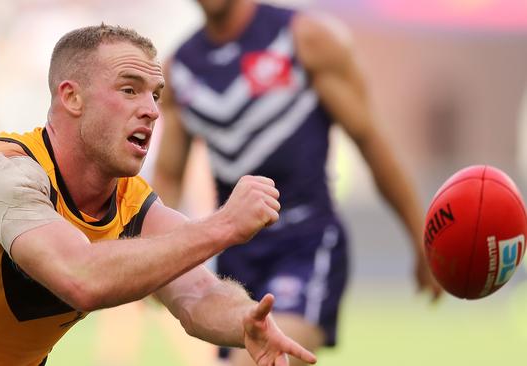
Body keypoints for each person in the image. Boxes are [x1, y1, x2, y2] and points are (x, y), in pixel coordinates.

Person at [0, 24, 317, 366]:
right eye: (129, 90)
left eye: (156, 94)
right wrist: (222, 226)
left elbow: (198, 296)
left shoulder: (133, 205)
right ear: (71, 97)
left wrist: (244, 322)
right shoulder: (3, 171)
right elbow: (79, 277)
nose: (150, 109)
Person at [152, 1, 443, 365]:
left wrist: (420, 238)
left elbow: (371, 142)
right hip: (235, 260)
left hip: (306, 243)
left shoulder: (304, 39)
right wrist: (155, 258)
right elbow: (167, 176)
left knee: (262, 360)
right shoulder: (181, 70)